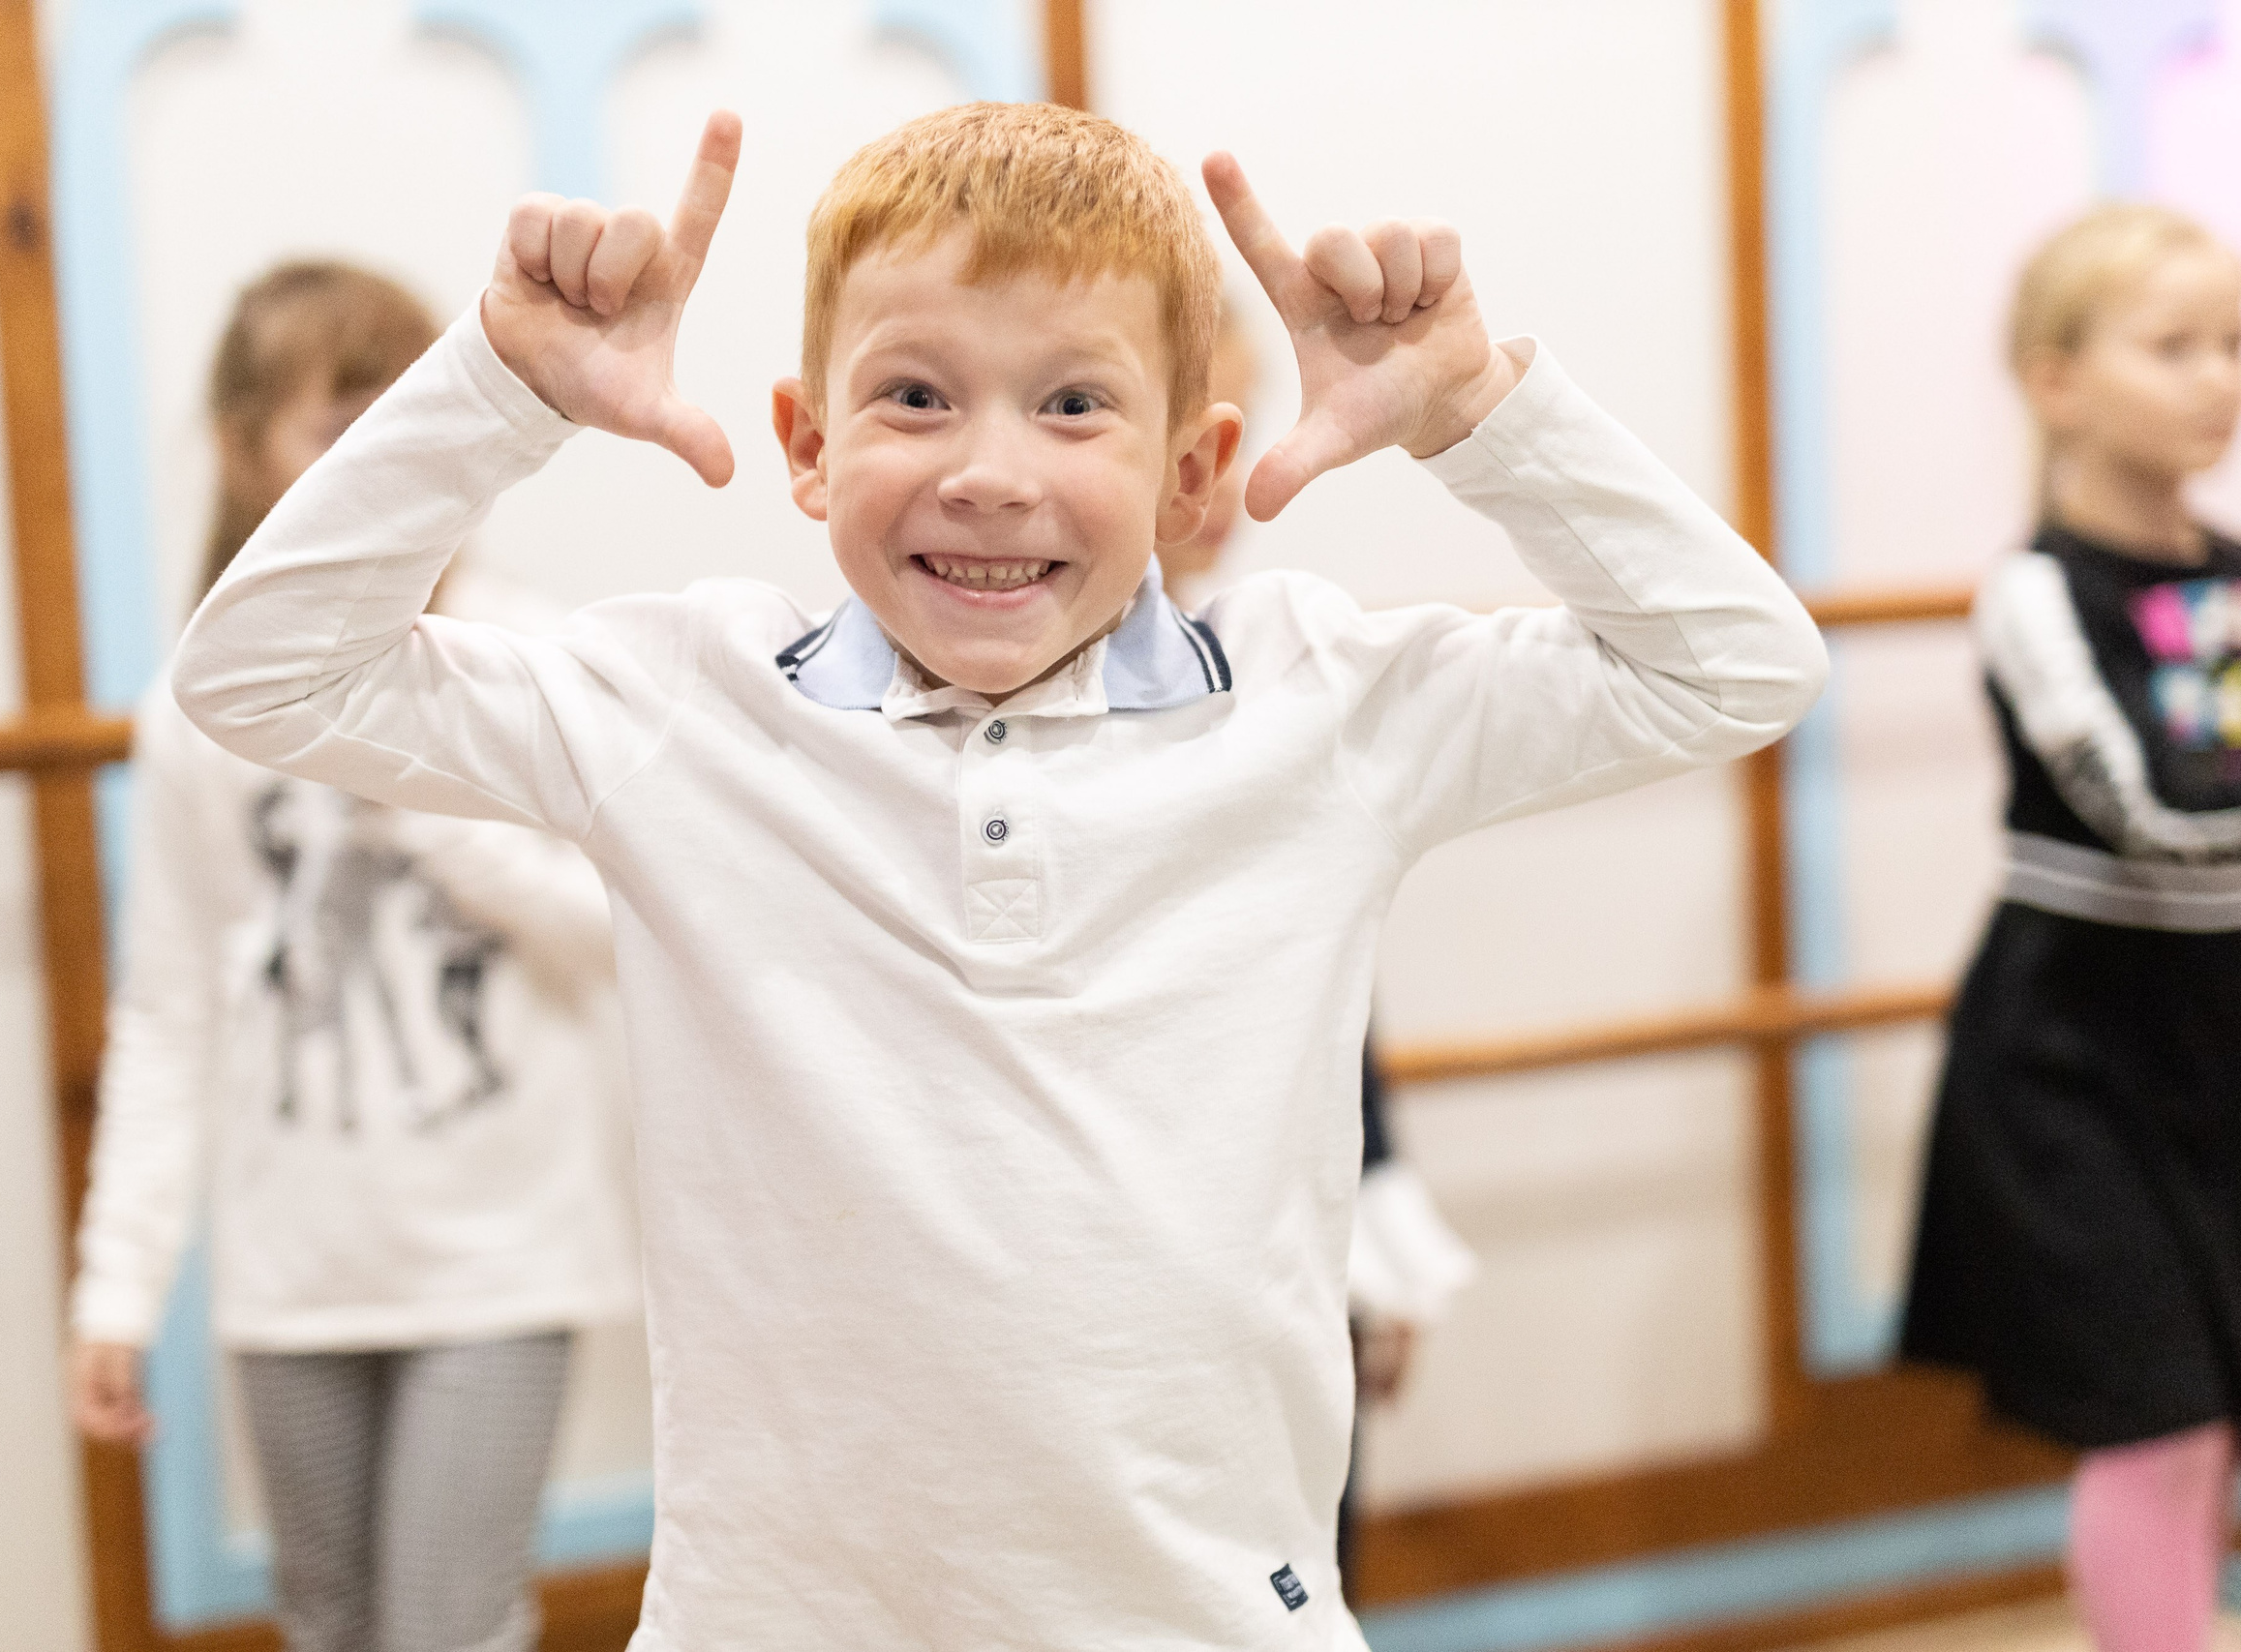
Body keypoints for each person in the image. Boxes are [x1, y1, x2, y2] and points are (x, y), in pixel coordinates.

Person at [169, 103, 1827, 1648]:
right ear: (808, 448)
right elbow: (255, 675)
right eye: (914, 396)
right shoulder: (683, 708)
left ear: (1192, 471)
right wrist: (496, 390)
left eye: (1075, 402)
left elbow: (1734, 668)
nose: (988, 470)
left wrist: (1481, 417)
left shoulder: (1320, 705)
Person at [67, 262, 639, 1652]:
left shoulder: (530, 652)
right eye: (336, 428)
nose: (379, 467)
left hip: (498, 1255)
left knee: (448, 1626)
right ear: (242, 450)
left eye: (402, 421)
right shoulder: (202, 706)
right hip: (296, 1269)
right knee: (328, 1622)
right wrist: (118, 1285)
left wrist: (417, 791)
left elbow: (618, 930)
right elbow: (170, 1011)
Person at [1900, 203, 2241, 1652]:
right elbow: (2149, 807)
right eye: (2173, 347)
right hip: (2077, 1055)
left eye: (2233, 344)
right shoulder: (2035, 595)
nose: (2216, 378)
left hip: (2225, 1032)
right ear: (2056, 380)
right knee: (2160, 1414)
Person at [1155, 299, 1477, 1594]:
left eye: (1235, 429)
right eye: (1188, 431)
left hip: (1279, 1240)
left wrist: (1378, 1208)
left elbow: (1332, 988)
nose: (1220, 471)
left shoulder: (1268, 682)